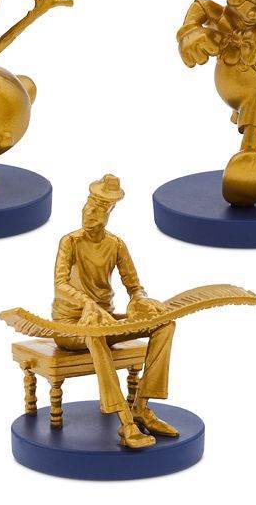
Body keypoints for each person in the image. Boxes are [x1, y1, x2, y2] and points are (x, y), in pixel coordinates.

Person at [52, 175, 178, 449]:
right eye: (87, 207)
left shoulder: (116, 245)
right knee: (95, 334)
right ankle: (126, 422)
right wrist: (87, 303)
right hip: (70, 326)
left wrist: (141, 300)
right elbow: (60, 283)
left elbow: (134, 286)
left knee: (164, 324)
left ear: (108, 214)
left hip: (106, 321)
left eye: (97, 210)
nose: (89, 213)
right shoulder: (70, 242)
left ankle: (141, 406)